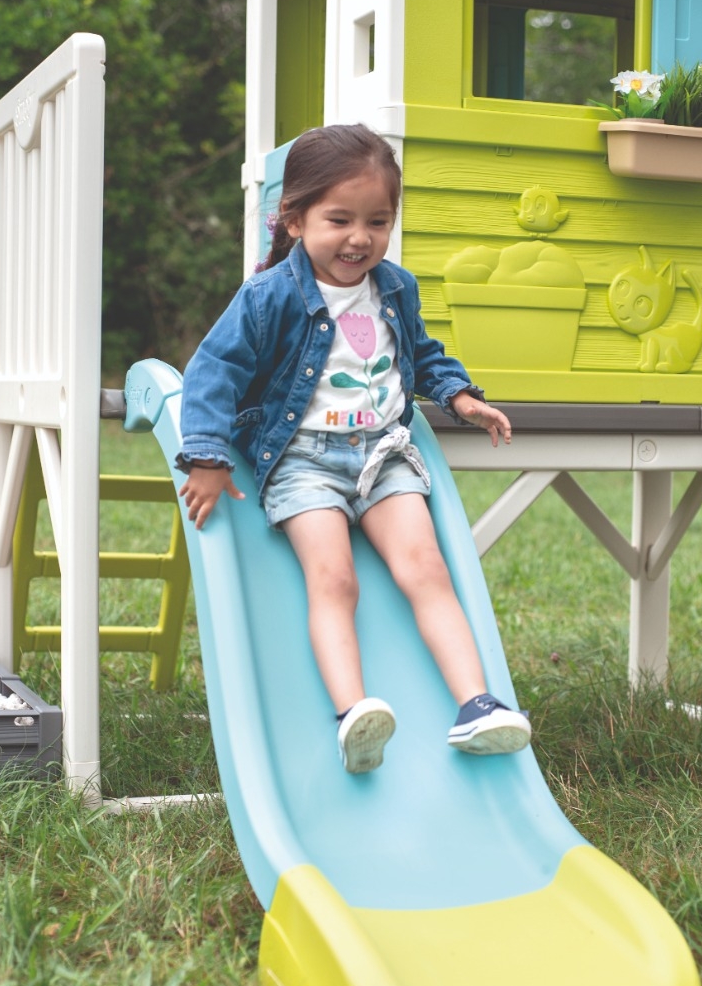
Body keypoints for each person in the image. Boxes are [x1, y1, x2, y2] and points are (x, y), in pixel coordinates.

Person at [177, 123, 531, 774]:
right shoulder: (268, 297)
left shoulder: (395, 287)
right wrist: (207, 457)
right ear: (293, 218)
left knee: (427, 568)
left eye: (378, 220)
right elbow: (212, 373)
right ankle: (353, 714)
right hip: (303, 460)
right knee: (334, 578)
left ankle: (477, 706)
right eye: (339, 219)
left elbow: (420, 354)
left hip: (383, 453)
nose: (360, 238)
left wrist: (458, 396)